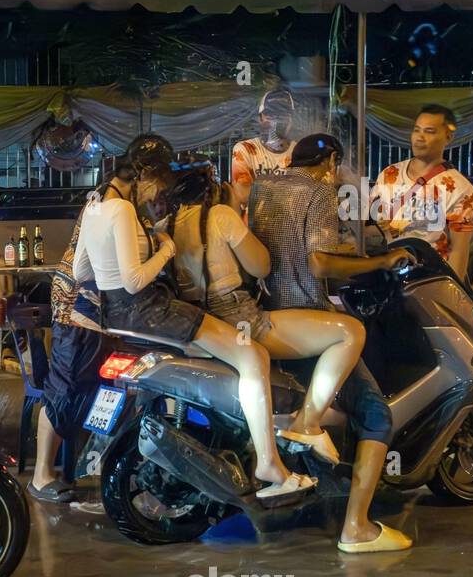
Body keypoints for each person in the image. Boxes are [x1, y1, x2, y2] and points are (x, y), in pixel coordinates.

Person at [73, 133, 315, 503]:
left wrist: (140, 243)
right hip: (149, 309)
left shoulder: (93, 207)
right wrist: (165, 248)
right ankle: (269, 464)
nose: (156, 196)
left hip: (117, 315)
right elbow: (134, 280)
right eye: (156, 185)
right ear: (144, 175)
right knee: (254, 355)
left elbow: (80, 272)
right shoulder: (121, 209)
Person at [248, 132, 414, 553]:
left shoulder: (265, 186)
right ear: (330, 161)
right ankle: (356, 526)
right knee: (376, 414)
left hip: (263, 312)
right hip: (306, 319)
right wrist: (379, 261)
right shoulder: (319, 190)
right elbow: (319, 262)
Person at [170, 151, 367, 467]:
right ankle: (307, 423)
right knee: (350, 332)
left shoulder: (170, 222)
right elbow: (261, 266)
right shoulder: (221, 216)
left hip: (199, 320)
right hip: (238, 316)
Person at [28, 203, 107, 503]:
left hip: (89, 304)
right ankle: (41, 476)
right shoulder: (103, 204)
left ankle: (66, 470)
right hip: (77, 303)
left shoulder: (112, 202)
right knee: (62, 388)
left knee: (78, 388)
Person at [372, 103, 473, 280]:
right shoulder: (390, 174)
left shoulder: (461, 189)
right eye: (416, 130)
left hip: (431, 280)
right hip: (391, 276)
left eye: (429, 131)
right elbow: (370, 228)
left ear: (448, 137)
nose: (419, 137)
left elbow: (459, 251)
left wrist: (452, 295)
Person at [229, 88, 297, 211]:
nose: (277, 120)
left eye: (282, 114)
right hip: (253, 229)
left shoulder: (299, 151)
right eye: (271, 114)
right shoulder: (245, 150)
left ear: (291, 119)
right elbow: (242, 194)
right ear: (261, 118)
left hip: (290, 228)